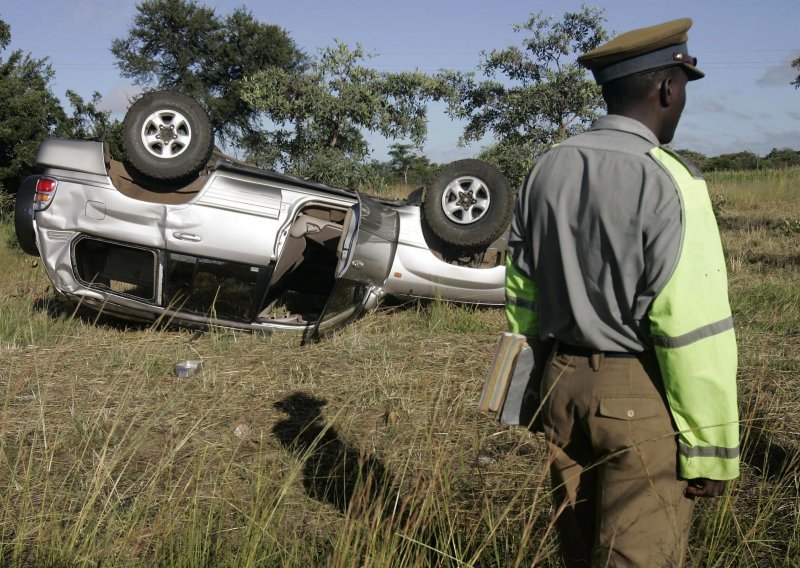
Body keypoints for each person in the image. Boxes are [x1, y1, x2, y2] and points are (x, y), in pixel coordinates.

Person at [504, 18, 740, 567]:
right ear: (667, 88)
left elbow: (521, 294)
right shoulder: (670, 179)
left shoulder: (547, 167)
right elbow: (691, 327)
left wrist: (527, 390)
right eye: (682, 88)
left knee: (577, 550)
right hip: (638, 392)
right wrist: (710, 450)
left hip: (559, 383)